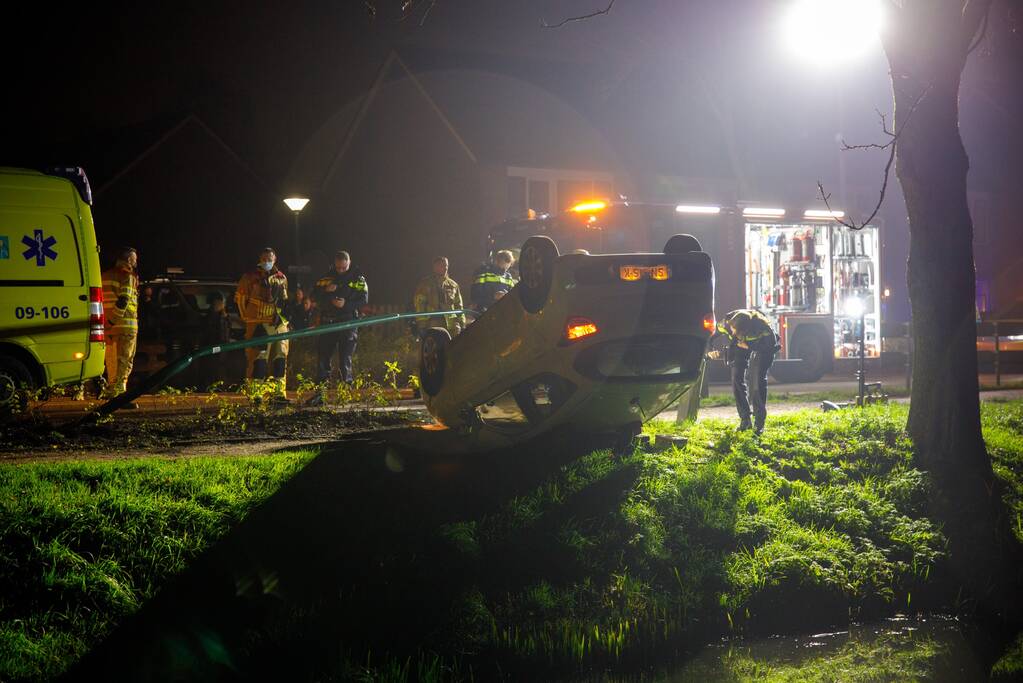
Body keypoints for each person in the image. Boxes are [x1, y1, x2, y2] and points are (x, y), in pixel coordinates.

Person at [710, 309, 780, 435]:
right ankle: (745, 420)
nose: (732, 332)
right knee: (736, 378)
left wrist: (750, 346)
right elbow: (710, 336)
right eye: (732, 329)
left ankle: (759, 422)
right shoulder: (726, 324)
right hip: (740, 345)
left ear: (745, 330)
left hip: (761, 347)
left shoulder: (762, 327)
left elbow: (771, 346)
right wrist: (710, 350)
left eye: (736, 331)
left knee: (757, 380)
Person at [235, 247, 289, 398]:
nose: (267, 262)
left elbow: (284, 301)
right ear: (260, 259)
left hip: (278, 323)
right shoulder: (249, 277)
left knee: (280, 357)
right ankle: (255, 395)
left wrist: (281, 317)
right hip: (258, 322)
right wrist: (248, 318)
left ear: (275, 259)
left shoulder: (281, 277)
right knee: (258, 359)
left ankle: (279, 394)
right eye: (264, 259)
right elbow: (240, 299)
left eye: (270, 259)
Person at [312, 250, 368, 387]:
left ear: (349, 262)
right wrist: (326, 291)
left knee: (345, 358)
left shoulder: (358, 279)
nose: (341, 270)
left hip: (348, 321)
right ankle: (321, 389)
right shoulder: (326, 278)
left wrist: (346, 304)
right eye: (338, 268)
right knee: (324, 355)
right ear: (334, 264)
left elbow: (364, 300)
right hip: (329, 321)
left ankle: (346, 387)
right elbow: (314, 296)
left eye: (344, 267)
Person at [101, 247, 140, 401]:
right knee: (125, 358)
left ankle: (111, 388)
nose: (136, 262)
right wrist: (114, 319)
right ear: (129, 260)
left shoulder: (104, 275)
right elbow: (124, 300)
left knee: (111, 359)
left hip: (108, 327)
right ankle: (120, 394)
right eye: (134, 259)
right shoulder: (128, 276)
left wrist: (108, 322)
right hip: (125, 326)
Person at [412, 256, 465, 338]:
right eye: (442, 265)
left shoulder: (453, 285)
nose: (445, 268)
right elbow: (419, 304)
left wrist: (462, 323)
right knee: (436, 349)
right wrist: (422, 324)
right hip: (433, 323)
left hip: (452, 325)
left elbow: (459, 305)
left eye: (446, 265)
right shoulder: (425, 284)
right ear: (435, 268)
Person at [199, 291, 232, 387]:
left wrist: (224, 316)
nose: (219, 305)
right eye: (217, 303)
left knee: (221, 369)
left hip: (223, 349)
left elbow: (227, 330)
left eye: (221, 303)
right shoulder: (209, 316)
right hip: (211, 348)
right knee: (211, 370)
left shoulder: (224, 316)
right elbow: (209, 331)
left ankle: (219, 388)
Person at [470, 249, 516, 314]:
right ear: (496, 262)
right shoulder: (483, 273)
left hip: (501, 313)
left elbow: (513, 297)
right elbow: (475, 296)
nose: (503, 271)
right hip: (483, 313)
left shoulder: (508, 277)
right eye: (502, 268)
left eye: (506, 269)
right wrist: (493, 296)